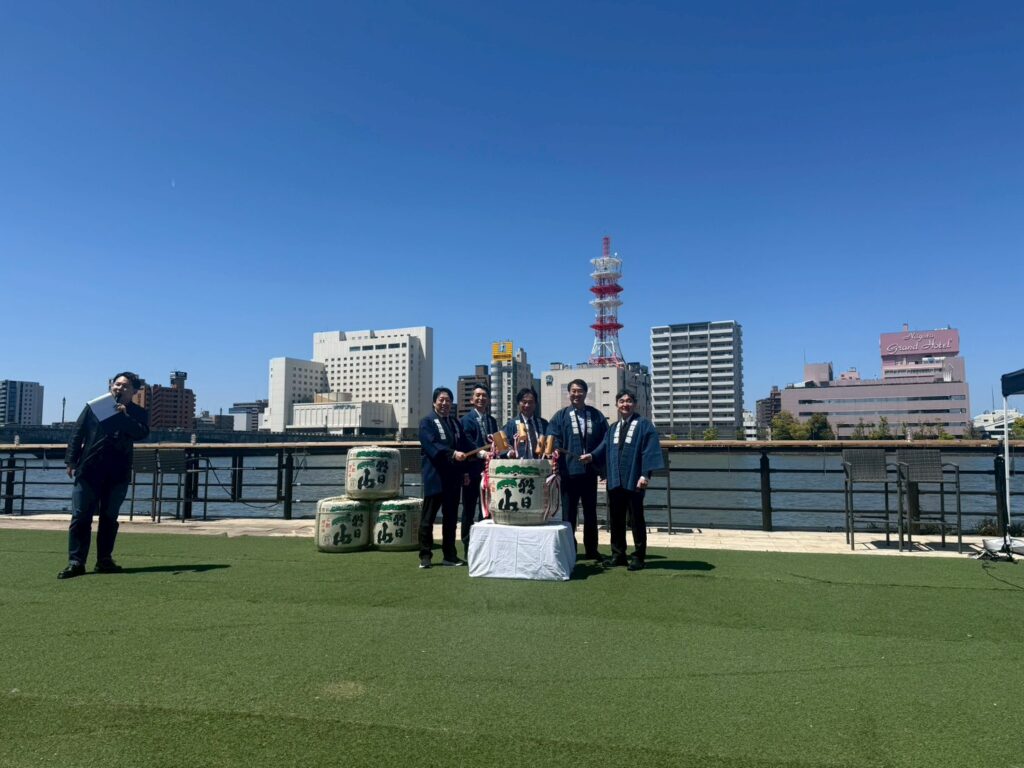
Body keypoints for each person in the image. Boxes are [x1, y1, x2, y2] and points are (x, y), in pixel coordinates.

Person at [59, 372, 151, 579]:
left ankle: (104, 560)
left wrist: (124, 417)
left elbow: (141, 433)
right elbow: (78, 432)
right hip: (89, 468)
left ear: (134, 392)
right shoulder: (95, 406)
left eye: (125, 386)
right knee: (81, 516)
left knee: (109, 517)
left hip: (118, 471)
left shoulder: (137, 412)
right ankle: (76, 562)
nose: (119, 388)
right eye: (117, 384)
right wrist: (71, 460)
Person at [591, 389, 664, 571]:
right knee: (616, 519)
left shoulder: (644, 425)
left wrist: (645, 475)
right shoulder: (613, 428)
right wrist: (591, 456)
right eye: (622, 401)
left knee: (636, 519)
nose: (625, 404)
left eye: (629, 401)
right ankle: (618, 555)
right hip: (615, 480)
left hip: (635, 480)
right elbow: (603, 448)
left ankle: (639, 557)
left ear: (635, 404)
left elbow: (649, 451)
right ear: (617, 405)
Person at [546, 379, 608, 559]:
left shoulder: (596, 415)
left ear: (586, 393)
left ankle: (592, 550)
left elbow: (606, 439)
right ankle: (569, 550)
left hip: (589, 472)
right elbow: (553, 437)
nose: (576, 394)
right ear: (569, 393)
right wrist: (556, 448)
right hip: (568, 472)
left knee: (590, 513)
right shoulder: (560, 416)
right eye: (573, 391)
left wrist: (594, 455)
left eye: (580, 391)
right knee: (568, 513)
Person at [417, 387, 470, 569]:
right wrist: (453, 453)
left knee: (451, 519)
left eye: (448, 400)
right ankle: (425, 556)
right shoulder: (427, 422)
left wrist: (478, 456)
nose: (445, 403)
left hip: (453, 478)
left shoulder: (455, 423)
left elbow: (465, 445)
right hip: (435, 477)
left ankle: (450, 555)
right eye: (441, 399)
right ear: (434, 402)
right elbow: (432, 445)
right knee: (428, 519)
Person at [459, 384, 498, 557]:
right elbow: (466, 442)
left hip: (489, 472)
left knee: (487, 509)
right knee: (468, 510)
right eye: (478, 395)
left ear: (488, 400)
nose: (481, 398)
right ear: (472, 400)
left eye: (484, 396)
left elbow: (496, 442)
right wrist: (481, 453)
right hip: (472, 472)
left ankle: (484, 546)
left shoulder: (492, 421)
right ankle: (468, 547)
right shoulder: (466, 420)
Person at [502, 387, 549, 460]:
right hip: (519, 465)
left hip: (540, 465)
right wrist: (509, 453)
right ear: (518, 403)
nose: (527, 405)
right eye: (524, 402)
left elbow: (550, 443)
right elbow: (502, 445)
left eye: (530, 402)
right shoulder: (511, 424)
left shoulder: (544, 424)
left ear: (535, 403)